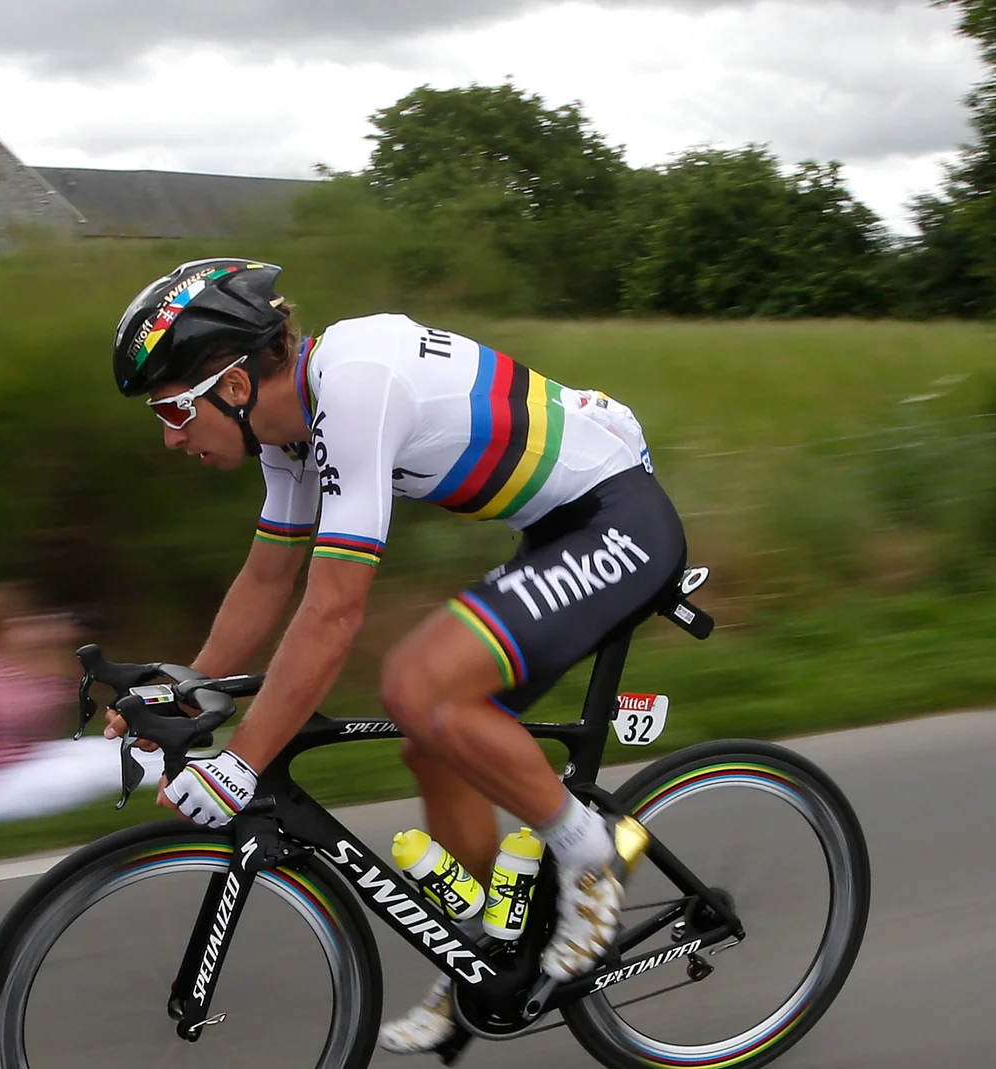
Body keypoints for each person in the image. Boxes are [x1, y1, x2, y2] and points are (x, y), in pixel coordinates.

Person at [101, 260, 687, 1054]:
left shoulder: (356, 387)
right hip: (559, 530)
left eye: (174, 409)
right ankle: (493, 949)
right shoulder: (290, 431)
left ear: (234, 385)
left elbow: (334, 610)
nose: (171, 437)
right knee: (435, 747)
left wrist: (242, 761)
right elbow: (269, 576)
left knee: (418, 685)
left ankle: (591, 855)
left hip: (617, 521)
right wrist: (184, 691)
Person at [0, 583, 161, 827]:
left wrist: (45, 659)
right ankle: (175, 785)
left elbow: (48, 718)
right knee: (104, 767)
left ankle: (176, 770)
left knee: (111, 747)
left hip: (9, 769)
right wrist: (39, 658)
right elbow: (14, 715)